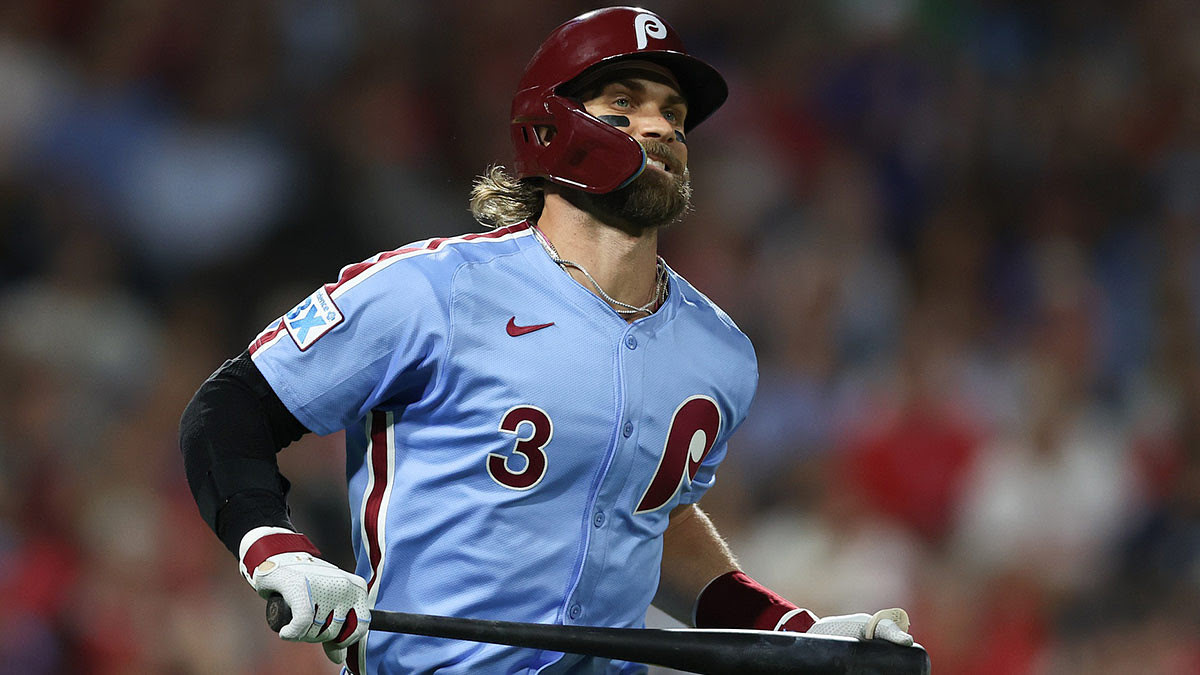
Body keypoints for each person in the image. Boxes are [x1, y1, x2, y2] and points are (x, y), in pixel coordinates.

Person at [179, 7, 914, 674]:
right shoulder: (436, 289)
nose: (660, 128)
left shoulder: (720, 352)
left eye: (674, 113)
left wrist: (788, 627)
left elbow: (651, 522)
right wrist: (275, 546)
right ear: (550, 124)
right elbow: (231, 409)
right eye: (624, 104)